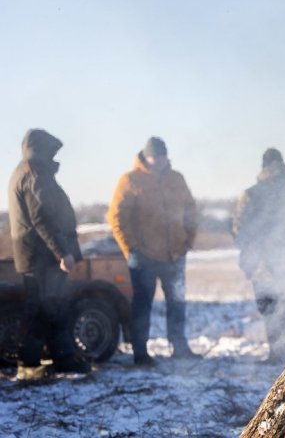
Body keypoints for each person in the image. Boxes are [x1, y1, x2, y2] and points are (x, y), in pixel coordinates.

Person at [108, 137, 199, 366]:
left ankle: (179, 347)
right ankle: (141, 353)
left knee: (177, 303)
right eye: (154, 156)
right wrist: (131, 249)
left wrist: (188, 240)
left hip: (175, 255)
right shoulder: (130, 180)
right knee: (142, 306)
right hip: (144, 257)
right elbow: (117, 218)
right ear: (145, 157)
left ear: (166, 156)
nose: (158, 160)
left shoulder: (176, 178)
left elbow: (191, 210)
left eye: (162, 156)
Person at [8, 129, 91, 378]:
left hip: (36, 253)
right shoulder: (34, 172)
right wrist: (61, 253)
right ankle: (29, 364)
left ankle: (62, 359)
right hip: (41, 254)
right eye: (51, 152)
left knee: (54, 307)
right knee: (43, 308)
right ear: (42, 150)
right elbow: (41, 217)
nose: (54, 157)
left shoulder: (25, 171)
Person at [232, 148, 285, 363]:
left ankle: (281, 353)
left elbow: (239, 228)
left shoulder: (252, 193)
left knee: (270, 304)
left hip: (265, 259)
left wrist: (249, 255)